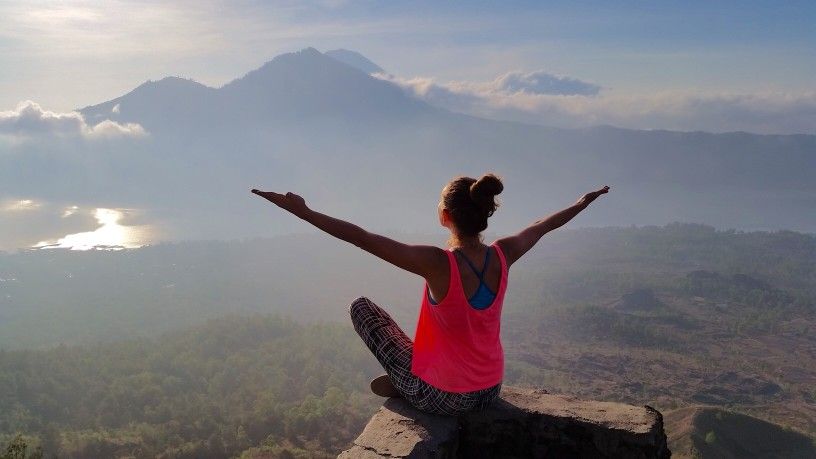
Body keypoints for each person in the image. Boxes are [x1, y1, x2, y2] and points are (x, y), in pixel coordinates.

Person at [251, 174, 609, 416]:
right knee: (417, 345)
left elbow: (362, 237)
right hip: (490, 388)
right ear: (485, 213)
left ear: (446, 216)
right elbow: (542, 226)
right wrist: (582, 202)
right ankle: (410, 379)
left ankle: (410, 387)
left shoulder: (439, 264)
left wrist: (304, 212)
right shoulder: (504, 253)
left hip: (447, 397)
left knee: (363, 309)